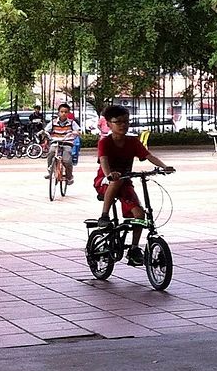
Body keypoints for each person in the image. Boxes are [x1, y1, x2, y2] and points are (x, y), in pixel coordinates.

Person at [93, 104, 175, 263]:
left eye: (126, 121)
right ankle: (104, 216)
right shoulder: (105, 142)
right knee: (117, 181)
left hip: (125, 183)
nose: (123, 125)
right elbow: (103, 160)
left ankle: (134, 249)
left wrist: (164, 167)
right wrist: (110, 174)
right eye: (118, 122)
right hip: (105, 181)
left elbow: (148, 155)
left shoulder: (132, 141)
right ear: (109, 124)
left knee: (140, 215)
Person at [44, 103, 82, 184]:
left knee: (67, 160)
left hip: (67, 142)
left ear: (68, 113)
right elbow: (46, 130)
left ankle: (69, 176)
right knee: (51, 153)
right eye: (61, 112)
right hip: (55, 142)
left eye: (65, 112)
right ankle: (50, 171)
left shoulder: (72, 123)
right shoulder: (53, 122)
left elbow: (78, 130)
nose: (63, 113)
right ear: (58, 112)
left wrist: (76, 132)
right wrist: (45, 133)